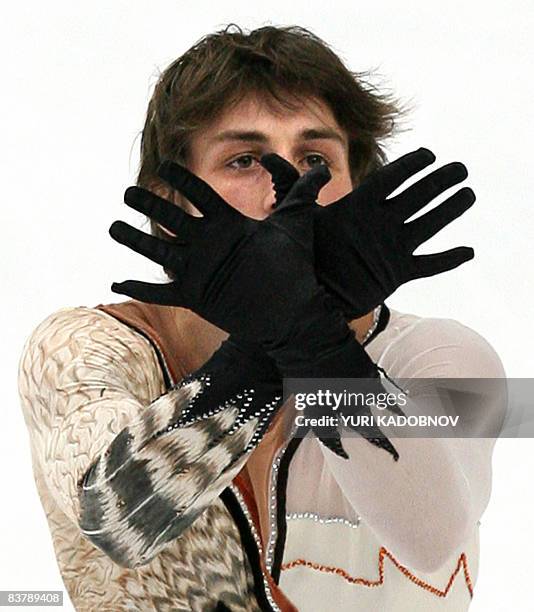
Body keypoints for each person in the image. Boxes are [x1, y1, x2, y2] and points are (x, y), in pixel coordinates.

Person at [17, 24, 506, 612]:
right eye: (245, 159)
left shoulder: (443, 357)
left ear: (358, 191)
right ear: (170, 203)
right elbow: (120, 522)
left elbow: (431, 544)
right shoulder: (84, 348)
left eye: (317, 158)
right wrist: (283, 335)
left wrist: (315, 345)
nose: (287, 189)